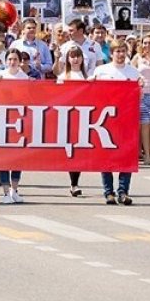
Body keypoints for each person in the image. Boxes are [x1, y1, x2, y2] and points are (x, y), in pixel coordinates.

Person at [91, 39, 140, 205]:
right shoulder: (101, 70)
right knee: (107, 156)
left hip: (127, 119)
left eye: (122, 51)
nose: (120, 54)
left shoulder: (133, 72)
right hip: (106, 119)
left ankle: (123, 191)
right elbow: (91, 91)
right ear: (111, 53)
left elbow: (139, 95)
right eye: (117, 51)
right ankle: (108, 192)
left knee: (126, 157)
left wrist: (141, 87)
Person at [0, 49, 31, 203]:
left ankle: (15, 190)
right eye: (9, 59)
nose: (12, 62)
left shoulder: (25, 78)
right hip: (2, 120)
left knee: (17, 159)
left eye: (15, 59)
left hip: (19, 121)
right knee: (3, 158)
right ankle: (5, 192)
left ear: (20, 60)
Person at [56, 45, 89, 197]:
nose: (75, 59)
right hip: (68, 117)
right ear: (68, 59)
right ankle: (73, 182)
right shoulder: (63, 77)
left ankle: (75, 183)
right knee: (71, 150)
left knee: (80, 151)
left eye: (78, 56)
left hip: (84, 117)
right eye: (72, 56)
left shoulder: (87, 77)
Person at [132, 34, 150, 166]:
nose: (147, 45)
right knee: (145, 124)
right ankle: (147, 155)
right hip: (143, 94)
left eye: (149, 43)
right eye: (144, 43)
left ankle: (148, 151)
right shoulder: (138, 58)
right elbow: (131, 72)